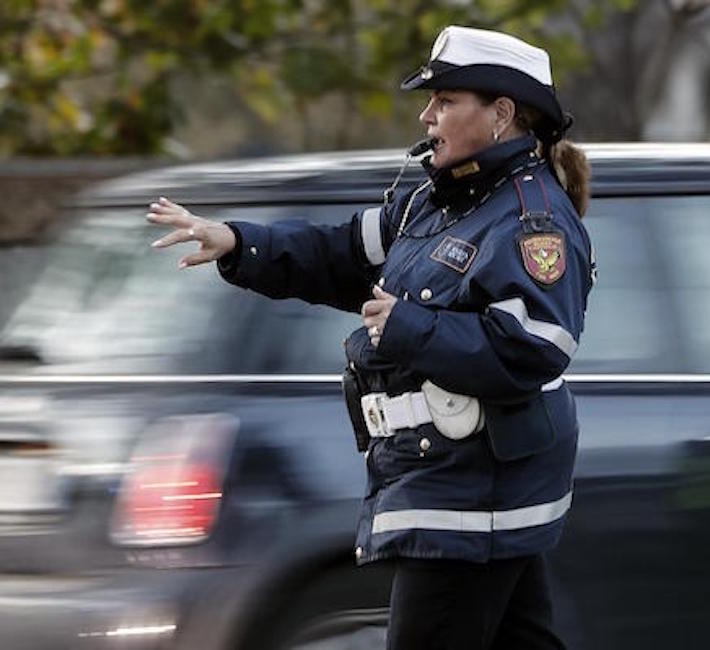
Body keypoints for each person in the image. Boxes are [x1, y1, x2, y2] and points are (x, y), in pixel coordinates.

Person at [146, 25, 593, 650]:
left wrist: (408, 328)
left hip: (470, 498)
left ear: (501, 114)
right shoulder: (434, 203)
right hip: (451, 486)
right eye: (429, 102)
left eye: (444, 101)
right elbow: (338, 253)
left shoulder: (531, 220)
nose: (426, 114)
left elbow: (535, 347)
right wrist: (239, 241)